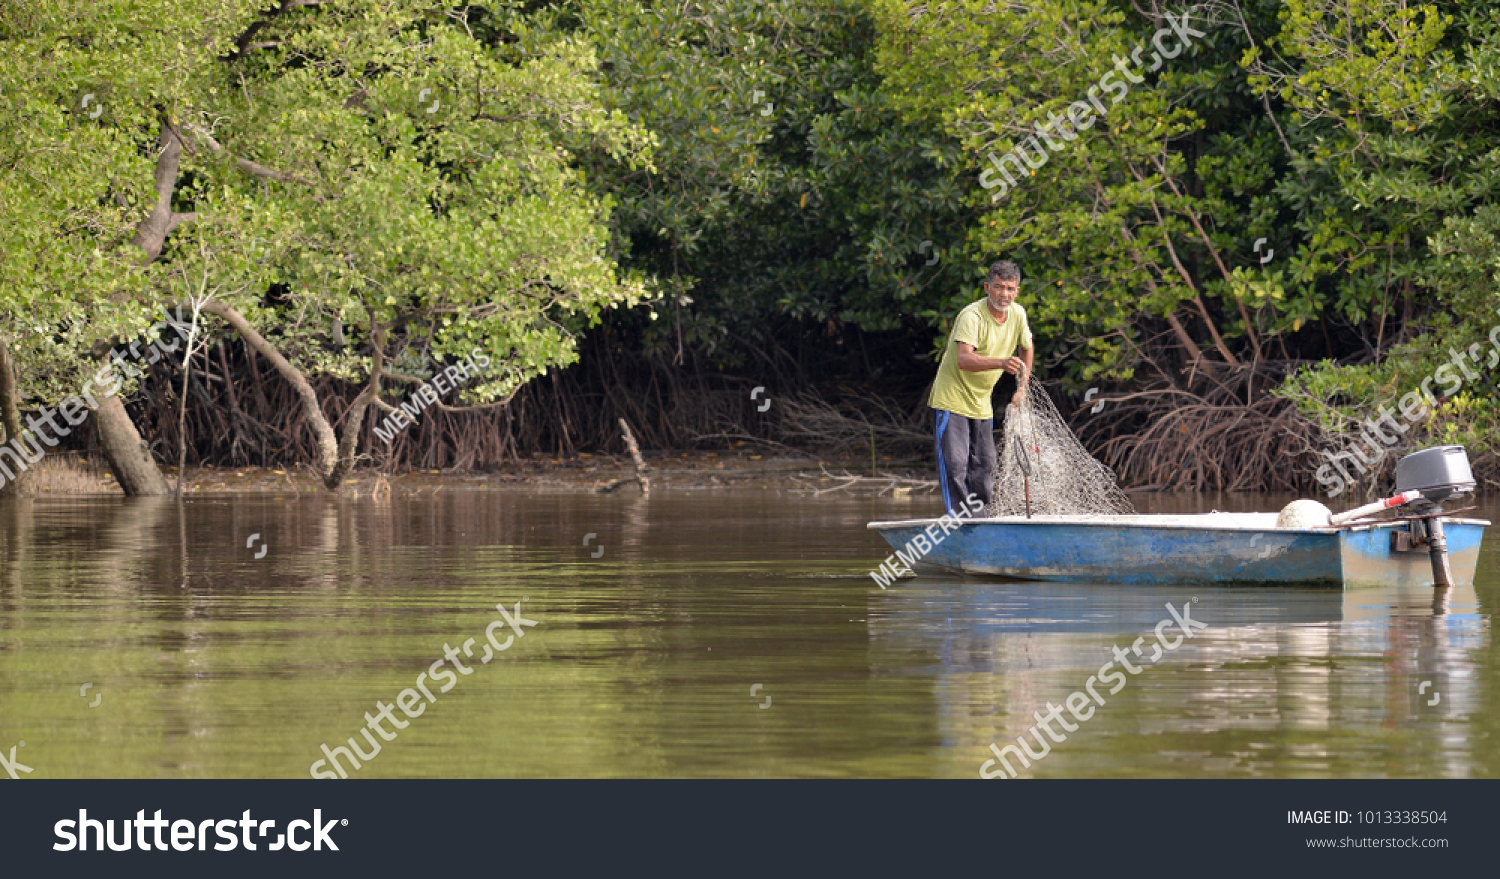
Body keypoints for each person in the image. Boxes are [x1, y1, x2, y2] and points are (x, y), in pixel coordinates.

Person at [928, 260, 1033, 517]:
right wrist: (1000, 362)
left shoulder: (1018, 314)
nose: (1004, 294)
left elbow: (1027, 347)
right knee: (955, 465)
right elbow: (964, 359)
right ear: (987, 287)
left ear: (1017, 291)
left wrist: (1023, 387)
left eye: (1010, 289)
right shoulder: (971, 316)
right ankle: (960, 521)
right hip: (951, 400)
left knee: (984, 466)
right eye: (998, 287)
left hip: (980, 403)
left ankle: (981, 520)